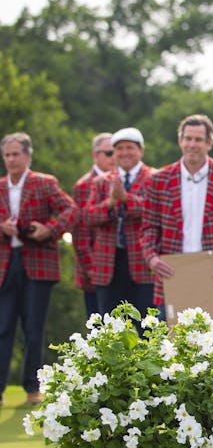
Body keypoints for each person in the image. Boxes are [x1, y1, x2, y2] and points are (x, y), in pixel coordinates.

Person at [141, 114, 213, 311]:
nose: (192, 144)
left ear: (209, 143)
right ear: (180, 141)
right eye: (188, 138)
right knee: (169, 339)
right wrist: (152, 258)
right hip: (172, 271)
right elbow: (149, 225)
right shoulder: (159, 178)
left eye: (198, 139)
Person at [0, 132, 77, 405]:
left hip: (38, 263)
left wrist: (50, 230)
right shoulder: (0, 186)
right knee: (3, 326)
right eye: (7, 155)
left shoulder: (44, 183)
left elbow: (70, 210)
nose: (11, 160)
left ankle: (34, 388)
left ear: (27, 155)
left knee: (34, 328)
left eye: (15, 154)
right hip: (6, 264)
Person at [84, 128, 156, 316]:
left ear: (140, 150)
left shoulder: (154, 178)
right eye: (119, 149)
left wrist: (126, 199)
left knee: (145, 324)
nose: (124, 153)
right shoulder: (101, 182)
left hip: (142, 263)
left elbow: (155, 211)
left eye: (129, 148)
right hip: (109, 264)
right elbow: (88, 216)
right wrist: (110, 202)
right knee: (110, 327)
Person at [72, 132, 114, 316]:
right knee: (99, 327)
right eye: (109, 153)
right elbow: (80, 234)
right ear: (95, 155)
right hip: (95, 270)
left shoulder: (121, 179)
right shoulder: (84, 185)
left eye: (117, 151)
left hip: (119, 267)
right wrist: (92, 269)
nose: (115, 157)